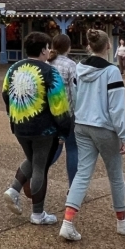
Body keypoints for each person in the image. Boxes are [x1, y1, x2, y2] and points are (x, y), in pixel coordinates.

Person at [59, 29, 125, 241]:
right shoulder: (111, 72)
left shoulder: (79, 68)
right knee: (115, 175)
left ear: (89, 46)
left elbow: (75, 97)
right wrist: (123, 135)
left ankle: (67, 222)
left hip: (81, 124)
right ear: (108, 46)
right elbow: (116, 108)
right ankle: (122, 221)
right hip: (104, 127)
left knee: (82, 173)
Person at [2, 32, 72, 226]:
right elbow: (59, 105)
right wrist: (65, 129)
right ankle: (38, 214)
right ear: (43, 50)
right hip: (44, 129)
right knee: (40, 166)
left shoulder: (13, 69)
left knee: (32, 160)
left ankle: (14, 190)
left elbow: (5, 93)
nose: (49, 51)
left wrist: (13, 114)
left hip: (19, 124)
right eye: (48, 47)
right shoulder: (50, 72)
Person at [47, 33, 78, 188]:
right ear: (68, 47)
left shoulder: (46, 63)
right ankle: (73, 188)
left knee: (53, 147)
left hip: (49, 112)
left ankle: (32, 173)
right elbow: (74, 91)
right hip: (67, 112)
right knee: (72, 149)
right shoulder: (71, 65)